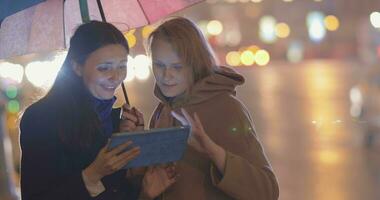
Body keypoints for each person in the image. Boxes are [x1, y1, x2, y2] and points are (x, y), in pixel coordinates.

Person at [20, 21, 175, 200]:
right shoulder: (42, 118)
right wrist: (92, 174)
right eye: (104, 68)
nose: (115, 77)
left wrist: (141, 178)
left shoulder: (119, 120)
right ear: (77, 66)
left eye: (122, 66)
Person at [136, 17, 279, 199]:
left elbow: (267, 191)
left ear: (195, 64)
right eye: (159, 65)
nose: (166, 75)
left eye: (177, 67)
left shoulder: (227, 109)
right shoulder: (162, 111)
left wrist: (214, 152)